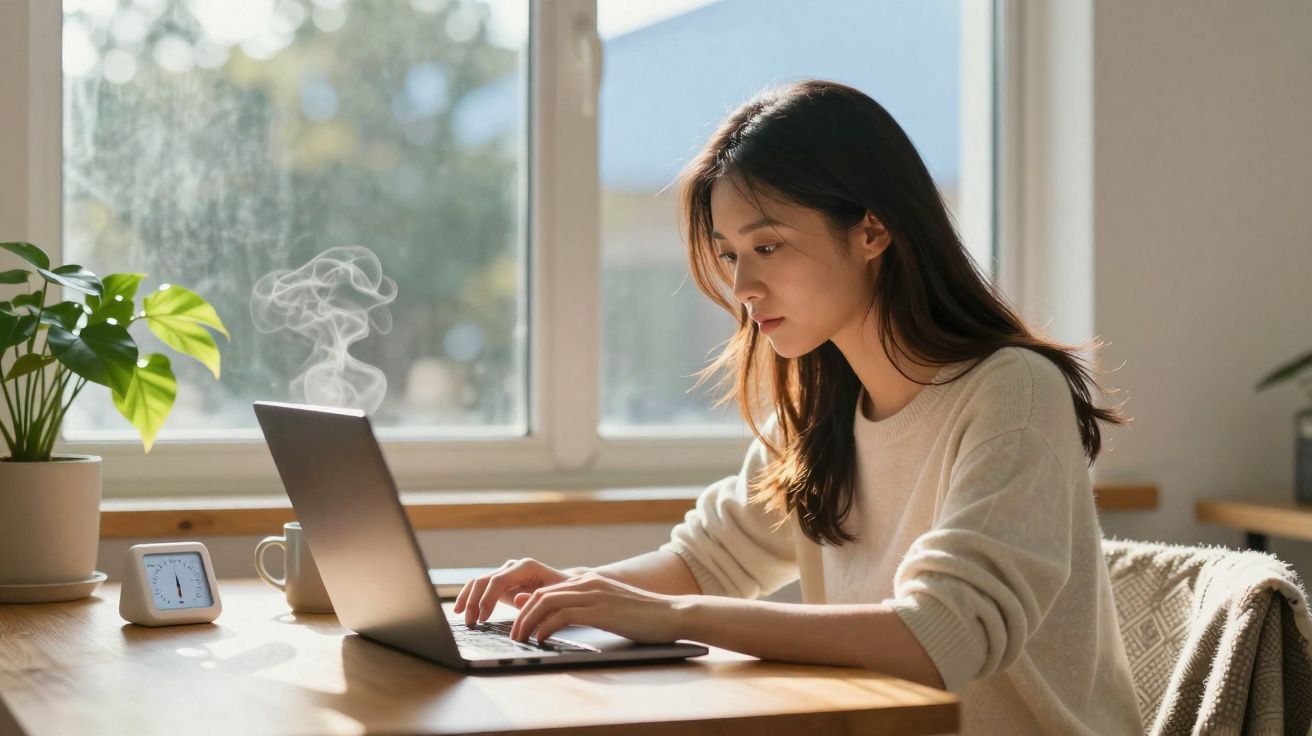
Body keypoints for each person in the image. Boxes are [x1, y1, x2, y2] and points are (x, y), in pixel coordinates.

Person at [454, 79, 1143, 734]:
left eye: (768, 246)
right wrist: (570, 592)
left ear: (873, 230)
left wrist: (670, 616)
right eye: (729, 256)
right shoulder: (823, 407)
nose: (744, 286)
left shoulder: (1013, 392)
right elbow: (709, 560)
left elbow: (942, 634)